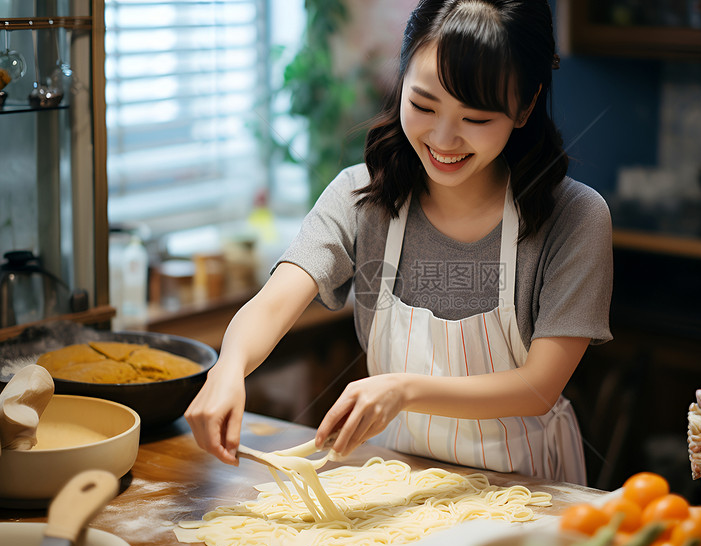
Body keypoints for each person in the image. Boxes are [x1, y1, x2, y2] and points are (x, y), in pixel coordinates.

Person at [185, 0, 613, 485]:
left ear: (526, 106)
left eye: (475, 118)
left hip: (528, 487)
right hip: (398, 482)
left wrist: (403, 390)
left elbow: (539, 388)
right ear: (401, 79)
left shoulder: (575, 216)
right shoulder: (359, 196)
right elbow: (275, 301)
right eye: (423, 105)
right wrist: (229, 368)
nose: (444, 138)